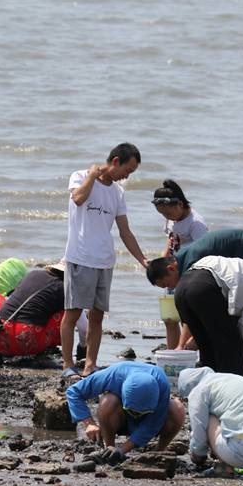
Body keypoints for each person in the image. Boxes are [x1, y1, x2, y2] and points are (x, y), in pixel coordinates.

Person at [62, 143, 149, 379]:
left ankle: (90, 364)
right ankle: (68, 365)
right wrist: (92, 174)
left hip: (105, 260)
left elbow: (125, 231)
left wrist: (142, 259)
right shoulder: (80, 176)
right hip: (80, 256)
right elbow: (78, 199)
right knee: (72, 313)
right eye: (127, 170)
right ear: (116, 161)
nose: (126, 176)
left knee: (98, 315)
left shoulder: (118, 193)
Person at [148, 255, 243, 378]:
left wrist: (195, 338)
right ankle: (230, 392)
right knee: (233, 350)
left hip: (182, 292)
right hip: (205, 287)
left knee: (207, 349)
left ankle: (206, 390)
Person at [145, 228, 243, 349]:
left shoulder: (192, 264)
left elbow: (196, 309)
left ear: (171, 268)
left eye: (167, 284)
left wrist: (184, 344)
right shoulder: (183, 260)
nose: (171, 288)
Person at [65, 362, 186, 463]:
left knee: (177, 409)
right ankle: (109, 447)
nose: (137, 416)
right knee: (108, 401)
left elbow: (153, 424)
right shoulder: (114, 375)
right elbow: (74, 392)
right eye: (134, 411)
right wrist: (89, 423)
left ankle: (159, 452)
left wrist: (122, 450)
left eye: (142, 412)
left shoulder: (162, 384)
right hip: (121, 420)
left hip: (151, 421)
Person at [178, 367, 243, 478]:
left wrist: (198, 454)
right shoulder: (235, 380)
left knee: (209, 417)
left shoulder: (199, 390)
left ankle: (225, 467)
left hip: (241, 453)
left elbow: (198, 425)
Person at [152, 179, 209, 349]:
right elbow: (171, 241)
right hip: (170, 274)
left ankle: (184, 352)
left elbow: (204, 252)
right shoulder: (172, 220)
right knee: (170, 318)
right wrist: (162, 260)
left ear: (180, 205)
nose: (166, 217)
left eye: (168, 214)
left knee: (188, 319)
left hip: (188, 276)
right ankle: (172, 353)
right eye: (163, 214)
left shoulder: (196, 223)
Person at [0, 264, 68, 358]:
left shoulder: (32, 274)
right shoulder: (64, 288)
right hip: (30, 344)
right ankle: (50, 348)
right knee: (67, 312)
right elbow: (78, 324)